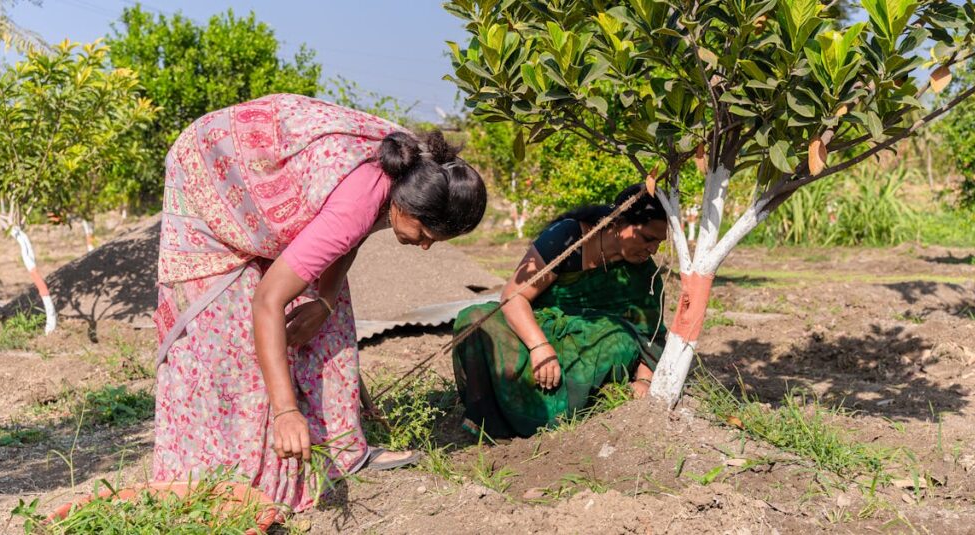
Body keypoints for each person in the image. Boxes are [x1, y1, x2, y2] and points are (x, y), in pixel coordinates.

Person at [151, 93, 486, 511]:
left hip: (264, 177)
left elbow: (350, 238)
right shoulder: (359, 204)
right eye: (425, 236)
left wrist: (325, 301)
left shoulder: (406, 171)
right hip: (211, 171)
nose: (423, 249)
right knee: (230, 337)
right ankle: (215, 474)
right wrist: (286, 409)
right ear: (408, 206)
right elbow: (267, 300)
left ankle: (341, 450)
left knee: (329, 312)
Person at [452, 184, 669, 438]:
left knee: (615, 339)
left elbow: (651, 333)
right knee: (475, 320)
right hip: (540, 330)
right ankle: (489, 417)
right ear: (619, 222)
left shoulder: (644, 273)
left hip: (593, 343)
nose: (653, 249)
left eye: (659, 242)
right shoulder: (567, 238)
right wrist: (539, 346)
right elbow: (514, 297)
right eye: (648, 238)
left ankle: (552, 418)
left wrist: (643, 380)